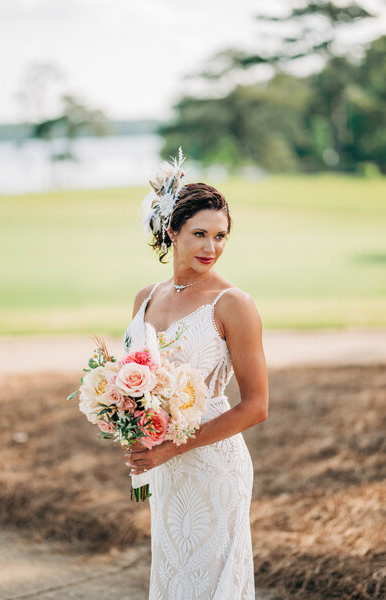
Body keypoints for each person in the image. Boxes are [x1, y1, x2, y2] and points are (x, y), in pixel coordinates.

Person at [122, 148, 269, 599]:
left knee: (212, 583)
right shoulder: (146, 297)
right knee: (175, 578)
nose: (212, 248)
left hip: (212, 465)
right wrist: (133, 429)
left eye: (221, 236)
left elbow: (256, 406)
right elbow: (133, 379)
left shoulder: (234, 304)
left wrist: (171, 447)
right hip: (165, 469)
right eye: (200, 234)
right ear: (172, 231)